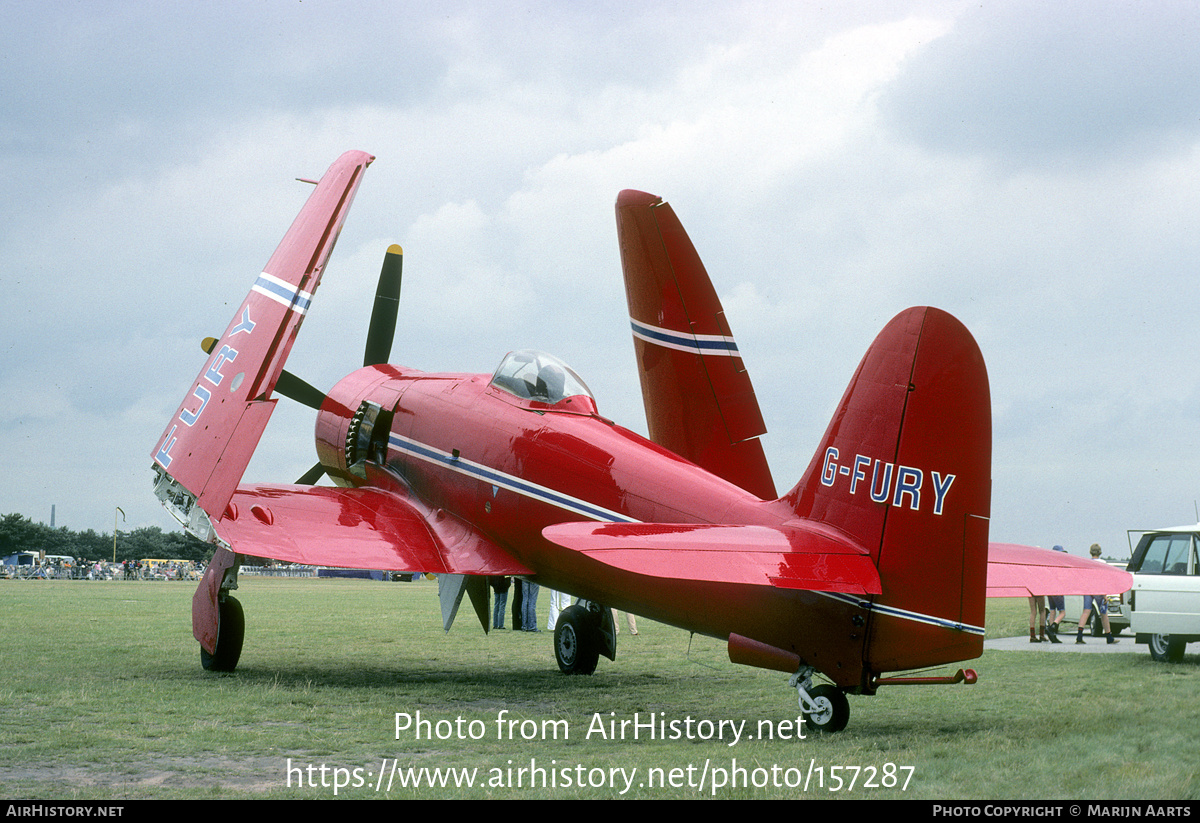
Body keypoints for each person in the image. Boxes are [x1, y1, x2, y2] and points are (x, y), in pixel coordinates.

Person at [1076, 543, 1119, 645]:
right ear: (1100, 552)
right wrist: (1105, 594)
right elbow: (1103, 579)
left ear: (1091, 552)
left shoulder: (1086, 563)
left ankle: (1079, 636)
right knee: (1103, 614)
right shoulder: (1103, 563)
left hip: (1088, 590)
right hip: (1099, 590)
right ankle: (1109, 636)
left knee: (1086, 612)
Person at [1044, 546, 1067, 643]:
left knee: (1052, 611)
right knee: (1062, 613)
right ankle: (1053, 627)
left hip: (1050, 590)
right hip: (1058, 590)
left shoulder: (1050, 565)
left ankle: (1051, 634)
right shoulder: (1060, 565)